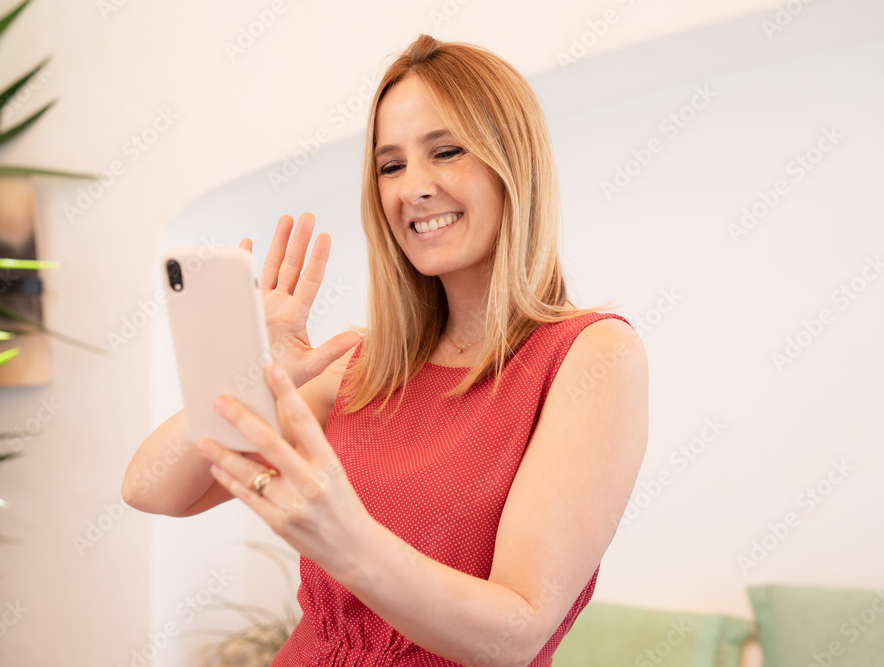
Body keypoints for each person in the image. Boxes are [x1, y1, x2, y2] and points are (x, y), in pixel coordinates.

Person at [123, 33, 648, 667]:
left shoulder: (590, 356)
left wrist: (347, 541)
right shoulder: (361, 367)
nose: (413, 189)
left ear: (514, 164)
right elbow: (151, 488)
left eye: (446, 151)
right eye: (390, 165)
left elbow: (516, 633)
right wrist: (251, 373)